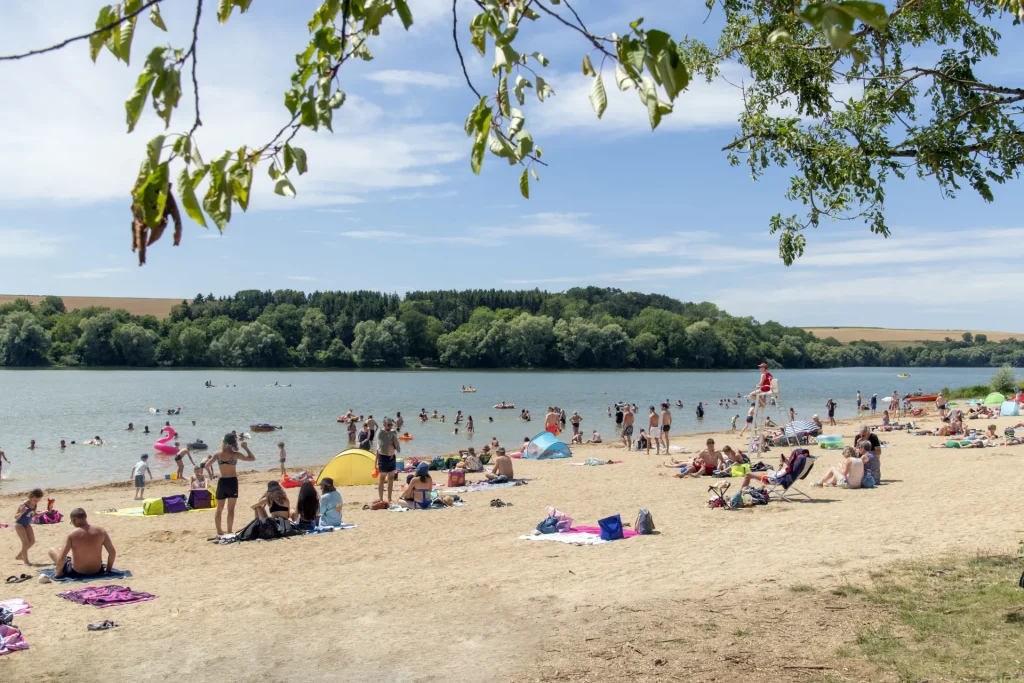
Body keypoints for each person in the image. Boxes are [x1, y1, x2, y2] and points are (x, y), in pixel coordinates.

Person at [48, 509, 116, 579]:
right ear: (86, 517)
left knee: (52, 550)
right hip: (97, 570)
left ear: (74, 520)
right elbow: (112, 552)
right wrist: (108, 570)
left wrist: (58, 573)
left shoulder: (72, 534)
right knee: (60, 550)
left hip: (76, 571)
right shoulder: (101, 531)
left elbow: (62, 558)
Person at [213, 433, 256, 537]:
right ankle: (229, 531)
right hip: (232, 482)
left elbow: (206, 465)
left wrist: (211, 475)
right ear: (234, 443)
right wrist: (246, 448)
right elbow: (252, 458)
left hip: (222, 481)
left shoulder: (218, 454)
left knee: (219, 508)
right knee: (231, 509)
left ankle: (219, 532)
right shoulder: (236, 455)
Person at [14, 488, 44, 565]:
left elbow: (34, 515)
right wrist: (21, 513)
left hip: (27, 524)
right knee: (25, 542)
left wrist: (44, 512)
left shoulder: (34, 505)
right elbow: (16, 517)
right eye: (35, 500)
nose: (36, 502)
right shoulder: (23, 505)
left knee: (32, 541)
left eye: (38, 500)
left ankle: (20, 555)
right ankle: (26, 561)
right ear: (31, 497)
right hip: (19, 524)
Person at [376, 418, 401, 503]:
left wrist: (393, 434)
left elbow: (396, 443)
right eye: (388, 425)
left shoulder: (393, 432)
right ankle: (381, 499)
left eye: (391, 424)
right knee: (382, 478)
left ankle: (389, 498)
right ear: (384, 425)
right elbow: (379, 445)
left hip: (392, 457)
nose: (390, 426)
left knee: (391, 478)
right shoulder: (381, 433)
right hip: (383, 457)